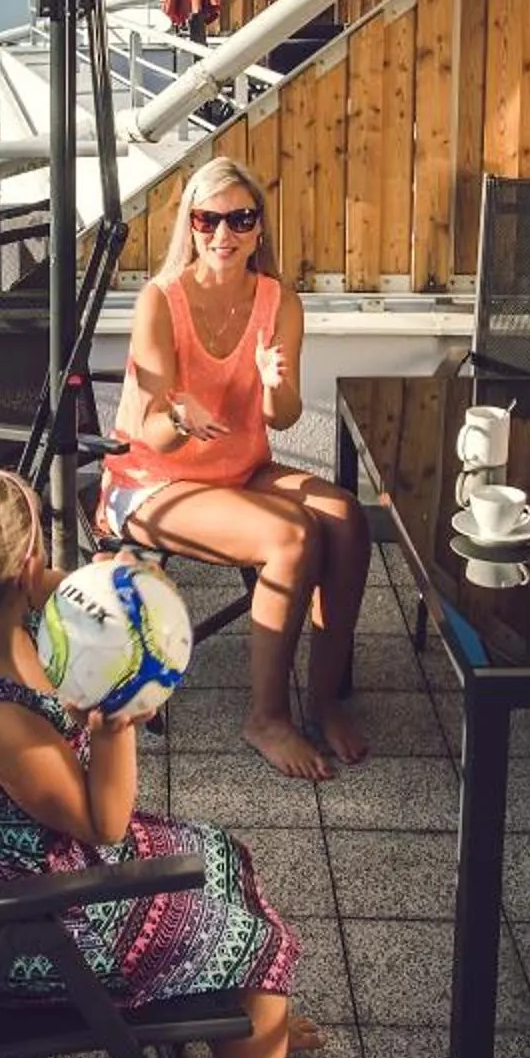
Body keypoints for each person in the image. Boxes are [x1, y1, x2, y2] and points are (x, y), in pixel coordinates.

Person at [0, 466, 360, 1058]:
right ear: (19, 566)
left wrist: (114, 584)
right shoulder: (0, 720)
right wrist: (115, 724)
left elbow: (61, 592)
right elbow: (105, 821)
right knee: (254, 947)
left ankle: (250, 1039)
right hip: (29, 929)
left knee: (222, 853)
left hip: (17, 873)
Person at [102, 157, 370, 779]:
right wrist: (183, 416)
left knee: (347, 519)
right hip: (152, 481)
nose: (224, 234)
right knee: (291, 536)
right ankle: (267, 718)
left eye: (240, 219)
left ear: (258, 228)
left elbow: (281, 418)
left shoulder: (278, 300)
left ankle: (325, 696)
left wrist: (275, 384)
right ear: (190, 226)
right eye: (208, 219)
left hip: (238, 467)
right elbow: (150, 434)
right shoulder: (160, 301)